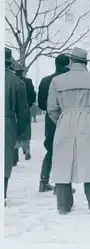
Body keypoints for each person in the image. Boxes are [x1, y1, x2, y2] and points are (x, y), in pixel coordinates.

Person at [47, 47, 90, 215]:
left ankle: (63, 205)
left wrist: (63, 119)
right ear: (85, 62)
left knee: (63, 162)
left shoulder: (57, 81)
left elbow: (51, 108)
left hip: (65, 120)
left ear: (70, 61)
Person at [37, 54, 71, 193]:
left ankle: (43, 181)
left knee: (50, 150)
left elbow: (41, 104)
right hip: (67, 117)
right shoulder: (69, 80)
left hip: (50, 119)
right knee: (64, 152)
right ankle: (60, 185)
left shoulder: (46, 81)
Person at [4, 48, 30, 206]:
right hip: (6, 123)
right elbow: (23, 111)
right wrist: (21, 132)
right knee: (5, 159)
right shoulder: (17, 82)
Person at [11, 61, 36, 163]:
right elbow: (33, 96)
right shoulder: (28, 81)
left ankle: (14, 157)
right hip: (25, 110)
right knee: (25, 131)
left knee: (13, 132)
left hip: (12, 111)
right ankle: (26, 149)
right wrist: (28, 105)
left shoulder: (11, 81)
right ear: (22, 71)